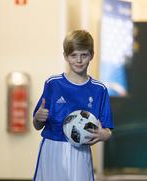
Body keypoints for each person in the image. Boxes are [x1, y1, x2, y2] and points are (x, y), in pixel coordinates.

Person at [32, 30, 114, 181]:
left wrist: (105, 135)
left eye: (84, 55)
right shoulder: (53, 84)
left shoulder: (99, 90)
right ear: (65, 56)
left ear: (92, 55)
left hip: (81, 151)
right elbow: (37, 125)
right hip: (52, 148)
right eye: (74, 55)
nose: (79, 60)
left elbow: (107, 130)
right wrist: (38, 118)